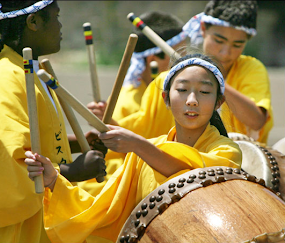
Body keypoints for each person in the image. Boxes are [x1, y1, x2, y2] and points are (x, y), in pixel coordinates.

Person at [25, 53, 242, 243]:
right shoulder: (145, 152)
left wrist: (138, 144)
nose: (192, 100)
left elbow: (194, 176)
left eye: (204, 92)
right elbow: (106, 210)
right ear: (166, 98)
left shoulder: (227, 151)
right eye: (183, 90)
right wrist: (54, 180)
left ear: (219, 102)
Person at [0, 1, 106, 242]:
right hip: (5, 233)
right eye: (56, 16)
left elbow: (31, 140)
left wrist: (74, 144)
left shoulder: (28, 68)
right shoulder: (2, 80)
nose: (61, 26)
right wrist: (71, 172)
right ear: (33, 22)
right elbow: (3, 166)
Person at [99, 0, 273, 145]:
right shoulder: (169, 79)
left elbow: (257, 121)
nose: (226, 52)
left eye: (237, 45)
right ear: (203, 29)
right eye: (219, 40)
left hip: (241, 162)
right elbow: (144, 128)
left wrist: (214, 78)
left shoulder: (251, 68)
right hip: (179, 163)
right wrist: (107, 121)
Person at [80, 11, 187, 196]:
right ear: (153, 60)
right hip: (115, 183)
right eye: (177, 56)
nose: (183, 63)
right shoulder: (130, 99)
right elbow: (129, 145)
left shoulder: (160, 90)